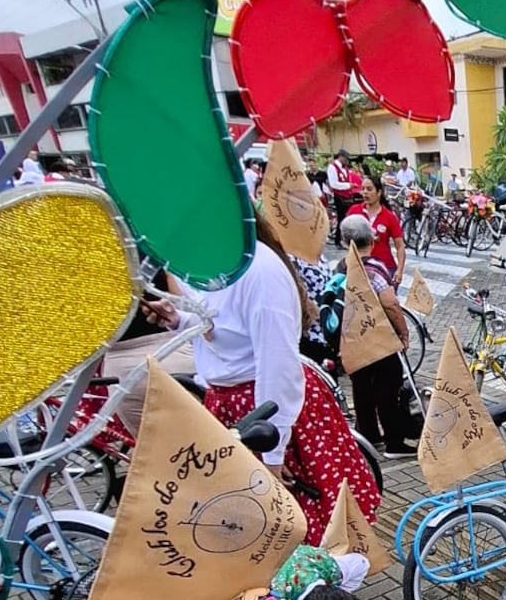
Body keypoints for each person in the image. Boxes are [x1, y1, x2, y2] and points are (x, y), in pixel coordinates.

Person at [144, 223, 381, 541]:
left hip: (272, 411)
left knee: (301, 523)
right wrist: (181, 320)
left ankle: (317, 586)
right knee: (248, 526)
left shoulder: (260, 270)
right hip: (233, 407)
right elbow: (227, 328)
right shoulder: (213, 265)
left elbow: (277, 364)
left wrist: (274, 454)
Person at [337, 214, 422, 458]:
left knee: (361, 388)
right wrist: (404, 333)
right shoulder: (374, 268)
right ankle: (394, 442)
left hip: (351, 339)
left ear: (344, 241)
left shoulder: (341, 268)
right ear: (372, 240)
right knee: (389, 386)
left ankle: (369, 437)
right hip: (377, 338)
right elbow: (391, 303)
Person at [359, 172, 405, 281]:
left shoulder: (389, 216)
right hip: (359, 267)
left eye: (369, 189)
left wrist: (400, 270)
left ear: (379, 192)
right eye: (363, 189)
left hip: (385, 267)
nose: (365, 192)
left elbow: (400, 246)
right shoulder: (355, 212)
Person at [326, 150, 358, 245]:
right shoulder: (332, 167)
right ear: (341, 157)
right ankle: (338, 239)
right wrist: (348, 185)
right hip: (339, 196)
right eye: (346, 159)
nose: (347, 161)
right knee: (341, 218)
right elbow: (334, 184)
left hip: (347, 196)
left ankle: (347, 238)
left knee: (349, 217)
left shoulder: (346, 169)